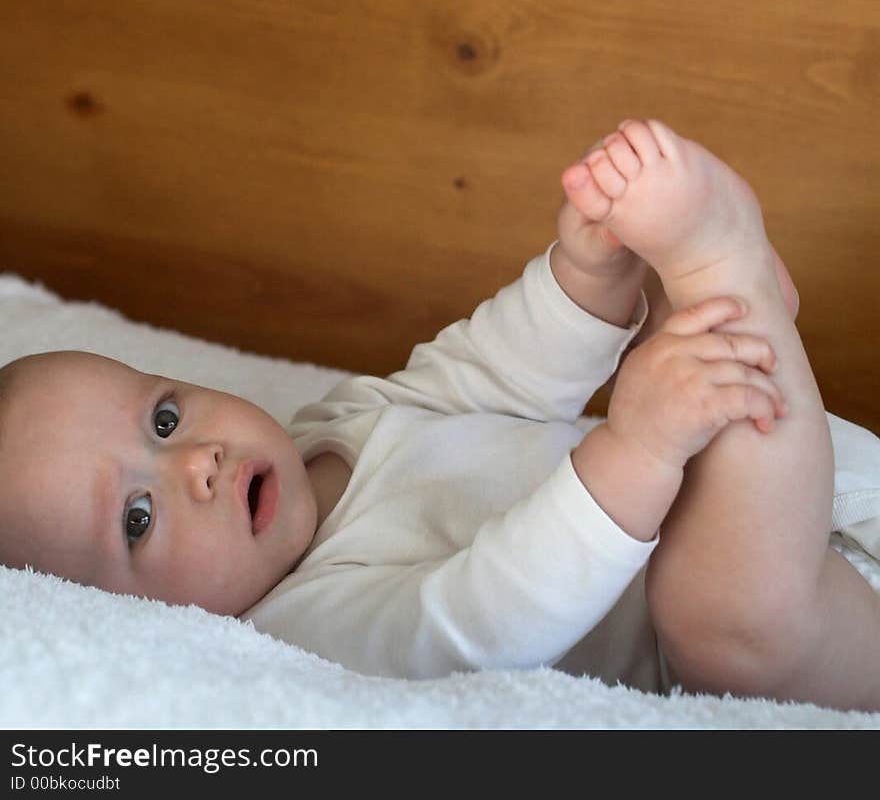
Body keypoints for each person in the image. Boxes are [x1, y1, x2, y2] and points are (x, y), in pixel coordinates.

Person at [1, 119, 878, 708]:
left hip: (803, 487)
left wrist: (584, 281)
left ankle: (731, 302)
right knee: (716, 616)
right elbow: (484, 613)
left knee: (669, 379)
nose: (194, 460)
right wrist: (637, 447)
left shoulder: (329, 432)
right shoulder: (302, 630)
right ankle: (731, 274)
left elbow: (482, 374)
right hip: (790, 614)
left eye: (161, 418)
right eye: (138, 517)